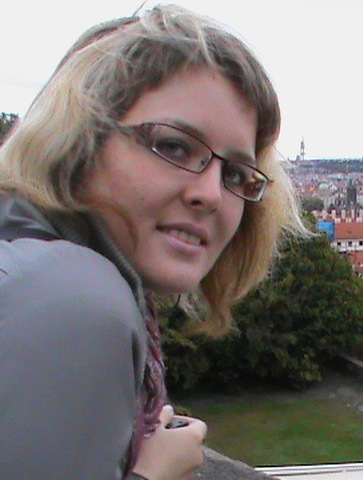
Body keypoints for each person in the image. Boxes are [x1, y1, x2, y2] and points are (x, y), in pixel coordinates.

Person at [0, 4, 305, 480]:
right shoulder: (77, 298)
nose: (210, 194)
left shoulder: (29, 255)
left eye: (235, 173)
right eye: (174, 146)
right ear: (81, 138)